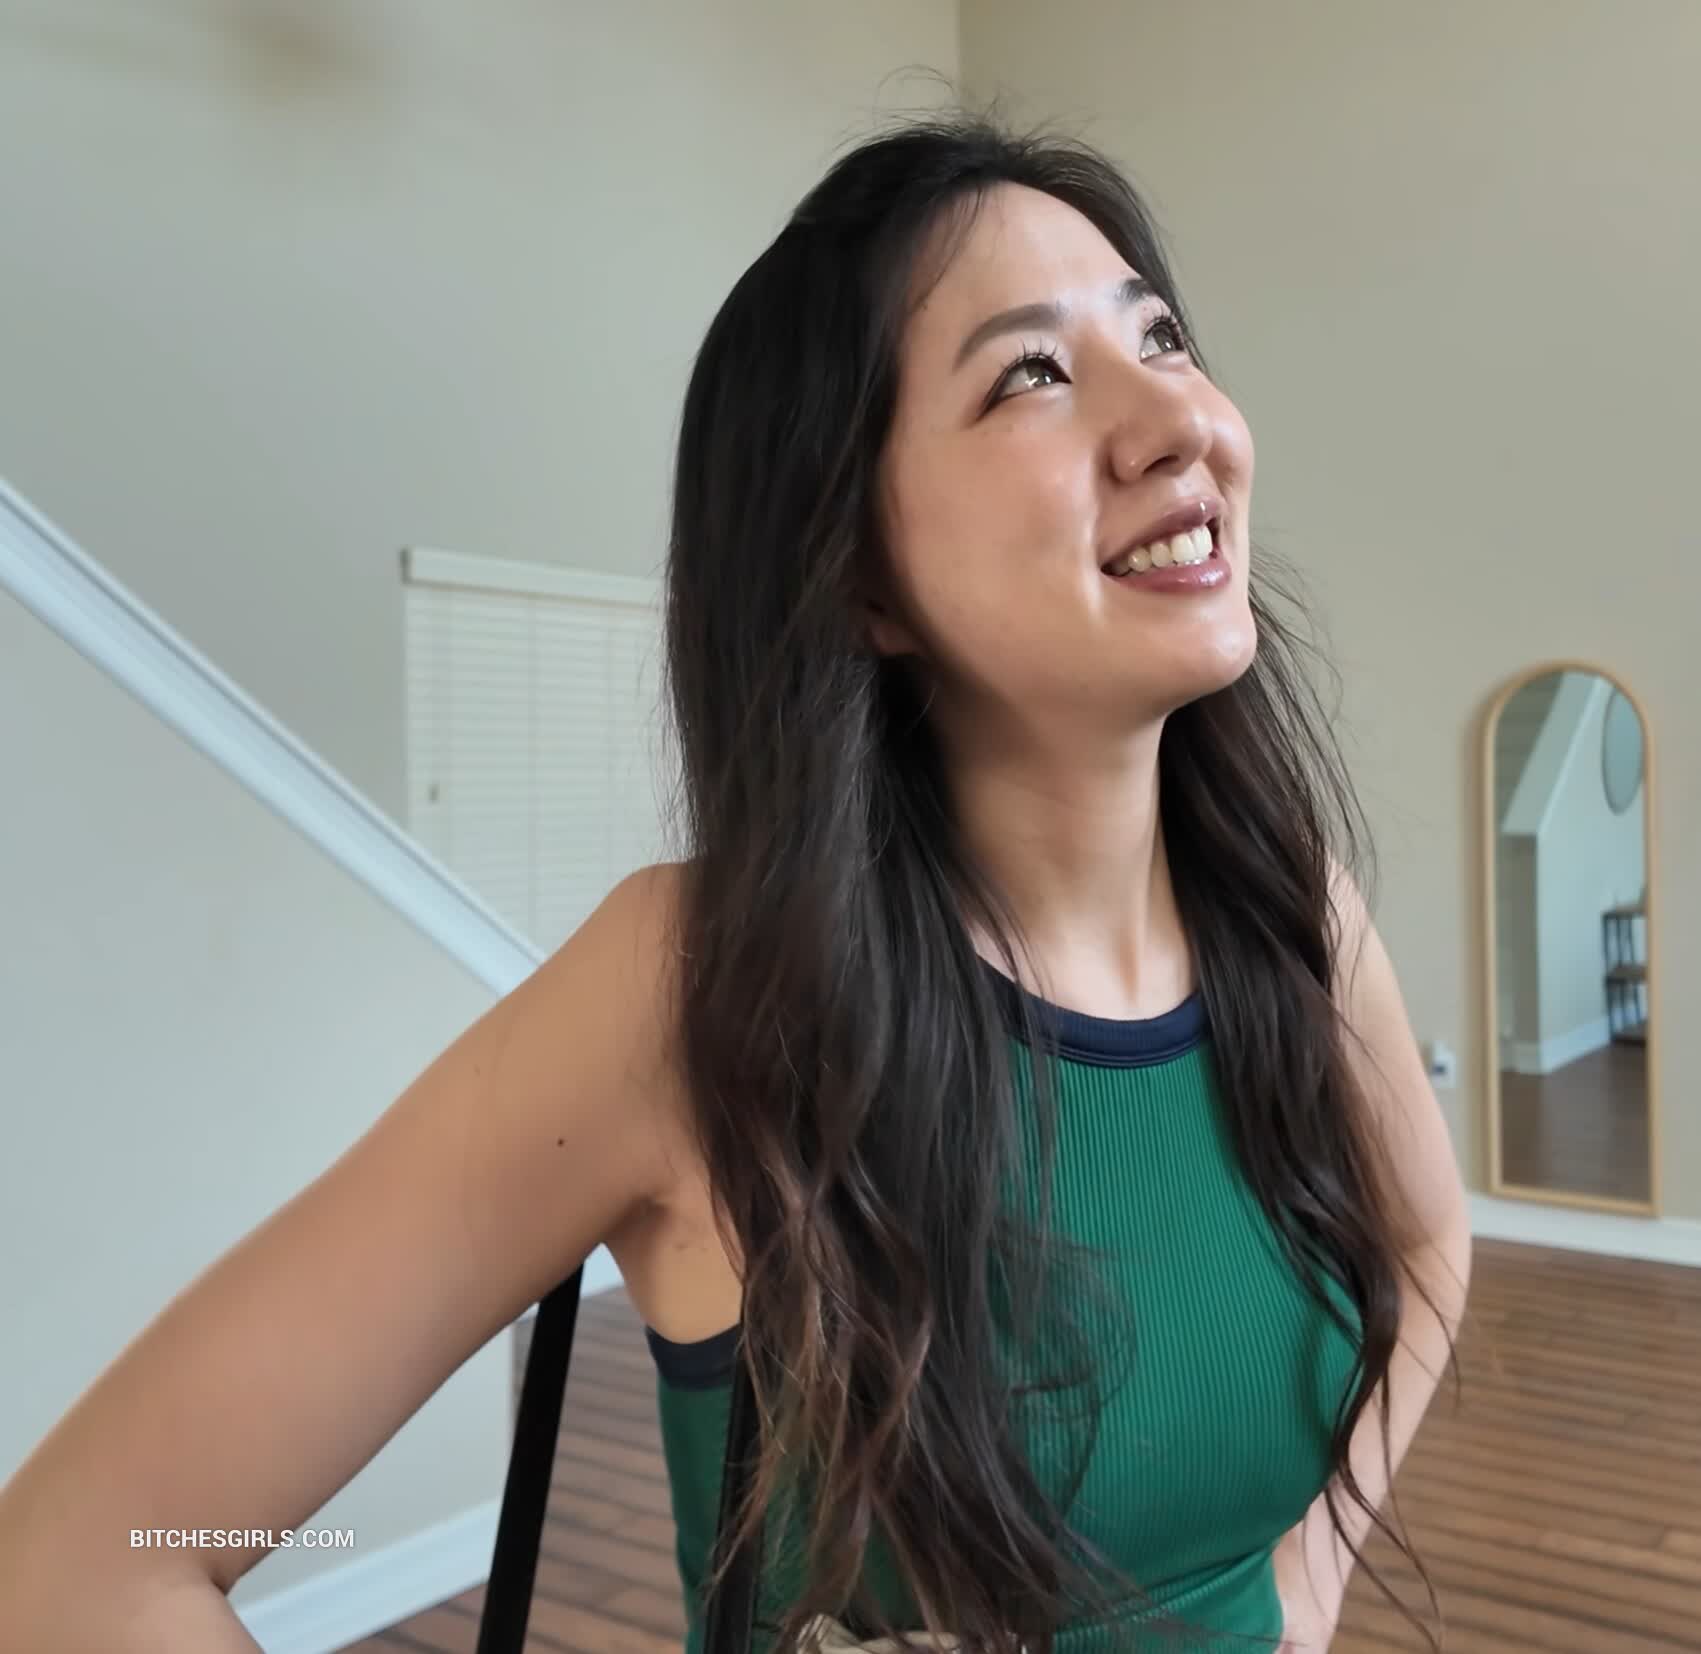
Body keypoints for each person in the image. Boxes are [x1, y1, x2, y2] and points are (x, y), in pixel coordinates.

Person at [0, 111, 1471, 1654]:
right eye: (1030, 373)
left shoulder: (1286, 909)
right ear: (857, 573)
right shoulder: (694, 989)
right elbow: (96, 1557)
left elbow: (1427, 1246)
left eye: (1159, 336)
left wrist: (1302, 1586)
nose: (1178, 419)